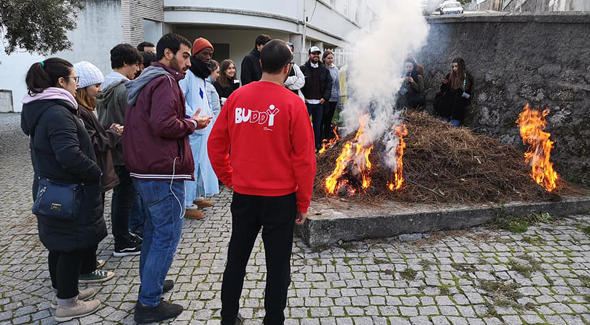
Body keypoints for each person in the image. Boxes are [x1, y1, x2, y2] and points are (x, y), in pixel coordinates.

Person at [208, 39, 317, 325]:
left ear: (259, 63)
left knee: (237, 260)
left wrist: (230, 178)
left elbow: (215, 145)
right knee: (278, 266)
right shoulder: (294, 104)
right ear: (288, 68)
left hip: (244, 196)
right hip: (281, 199)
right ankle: (273, 320)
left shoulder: (237, 98)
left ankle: (228, 317)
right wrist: (303, 203)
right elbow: (305, 160)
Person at [123, 32, 211, 324]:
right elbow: (163, 124)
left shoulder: (147, 78)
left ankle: (153, 286)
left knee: (153, 233)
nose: (188, 62)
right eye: (185, 56)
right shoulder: (164, 81)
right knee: (165, 237)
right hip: (162, 171)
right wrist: (192, 123)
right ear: (168, 53)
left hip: (146, 169)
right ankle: (149, 304)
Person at [20, 58, 105, 322]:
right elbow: (69, 155)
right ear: (61, 82)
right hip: (67, 192)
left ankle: (64, 293)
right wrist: (96, 172)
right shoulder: (57, 112)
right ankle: (67, 304)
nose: (77, 83)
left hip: (53, 189)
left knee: (58, 244)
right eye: (74, 79)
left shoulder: (42, 107)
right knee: (69, 245)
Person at [73, 61, 120, 283]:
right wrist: (113, 133)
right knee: (90, 222)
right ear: (84, 87)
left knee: (94, 219)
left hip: (95, 175)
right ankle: (86, 267)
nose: (100, 90)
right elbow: (93, 143)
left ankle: (87, 261)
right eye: (97, 86)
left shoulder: (85, 109)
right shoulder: (80, 112)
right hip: (92, 176)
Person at [96, 43, 143, 257]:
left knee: (121, 195)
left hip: (111, 147)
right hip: (124, 149)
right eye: (135, 64)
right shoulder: (124, 89)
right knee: (124, 197)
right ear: (125, 63)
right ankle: (122, 241)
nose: (138, 69)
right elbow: (134, 122)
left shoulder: (103, 86)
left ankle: (122, 235)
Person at [179, 38, 220, 220]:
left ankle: (196, 196)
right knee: (192, 166)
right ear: (195, 54)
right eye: (205, 53)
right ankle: (186, 204)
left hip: (204, 128)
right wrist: (193, 118)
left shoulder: (201, 75)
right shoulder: (188, 74)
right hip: (193, 129)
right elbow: (181, 99)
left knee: (202, 165)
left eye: (210, 54)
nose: (208, 57)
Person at [300, 46, 332, 151]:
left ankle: (316, 146)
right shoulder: (303, 68)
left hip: (319, 103)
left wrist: (325, 98)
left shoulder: (324, 69)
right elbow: (298, 84)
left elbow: (329, 84)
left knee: (317, 126)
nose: (316, 55)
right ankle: (305, 147)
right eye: (314, 53)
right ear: (309, 55)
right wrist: (302, 97)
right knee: (304, 127)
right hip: (307, 102)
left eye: (318, 53)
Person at [434, 57, 474, 126]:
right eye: (453, 66)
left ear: (461, 66)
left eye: (456, 66)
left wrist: (461, 98)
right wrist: (444, 84)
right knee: (443, 128)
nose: (454, 68)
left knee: (453, 129)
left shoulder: (467, 77)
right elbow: (443, 90)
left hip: (457, 112)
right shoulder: (450, 75)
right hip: (446, 110)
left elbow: (468, 94)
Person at [321, 50, 341, 140]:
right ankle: (320, 139)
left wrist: (339, 100)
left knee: (329, 120)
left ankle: (327, 139)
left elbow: (337, 85)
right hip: (323, 98)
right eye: (328, 58)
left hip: (333, 98)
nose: (330, 60)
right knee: (322, 120)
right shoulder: (321, 68)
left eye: (332, 58)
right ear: (324, 59)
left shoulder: (336, 69)